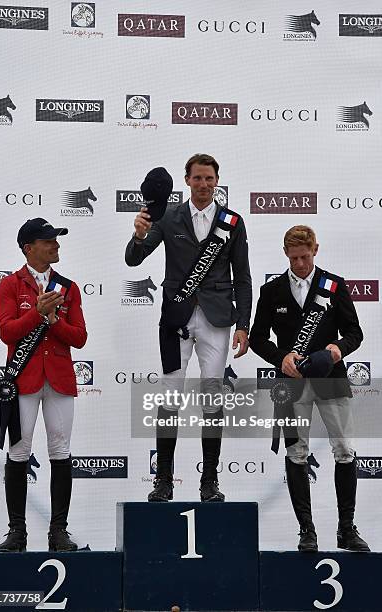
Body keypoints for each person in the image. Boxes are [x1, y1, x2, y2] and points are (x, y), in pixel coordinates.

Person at [125, 154, 252, 502]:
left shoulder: (232, 221)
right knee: (169, 396)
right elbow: (134, 258)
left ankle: (209, 481)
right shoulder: (168, 215)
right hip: (175, 319)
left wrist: (244, 325)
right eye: (198, 178)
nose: (204, 185)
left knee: (212, 396)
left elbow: (242, 277)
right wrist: (138, 236)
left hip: (216, 319)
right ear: (187, 181)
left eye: (210, 178)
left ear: (217, 181)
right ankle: (163, 480)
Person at [249, 225, 369, 552]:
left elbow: (355, 333)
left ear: (316, 249)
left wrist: (337, 350)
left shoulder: (334, 285)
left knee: (344, 449)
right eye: (294, 258)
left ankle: (347, 528)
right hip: (291, 384)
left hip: (331, 380)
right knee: (296, 452)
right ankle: (307, 530)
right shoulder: (272, 291)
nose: (300, 263)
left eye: (305, 256)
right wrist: (280, 357)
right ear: (285, 254)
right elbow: (259, 338)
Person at [0, 218, 87, 552]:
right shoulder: (9, 285)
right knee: (19, 451)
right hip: (23, 379)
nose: (56, 245)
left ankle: (58, 531)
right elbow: (7, 332)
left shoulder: (68, 286)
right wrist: (37, 313)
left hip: (59, 378)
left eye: (57, 241)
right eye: (49, 241)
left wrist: (52, 320)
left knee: (60, 450)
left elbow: (80, 337)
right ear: (29, 248)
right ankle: (16, 531)